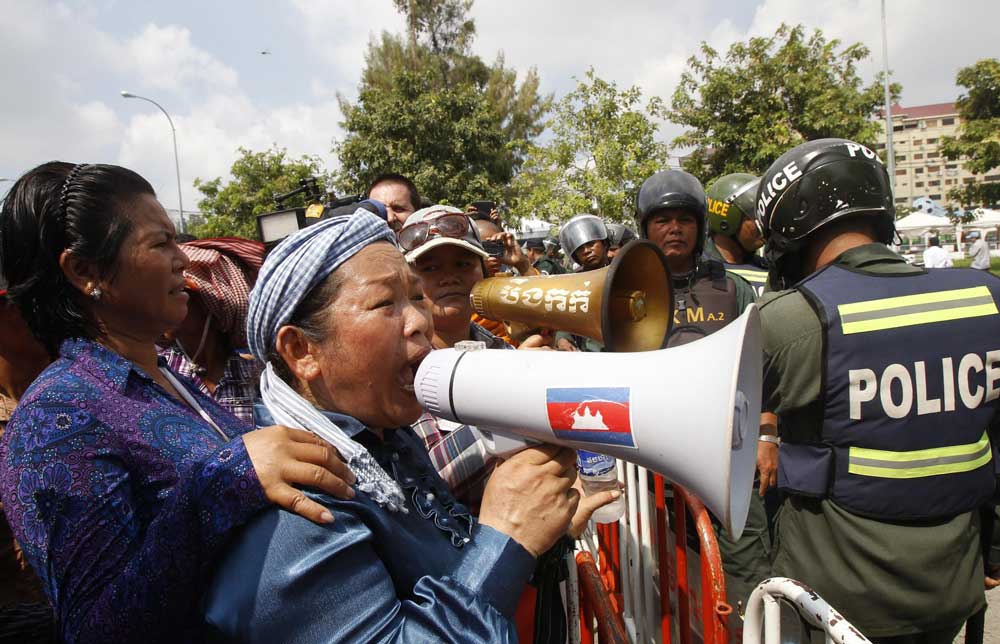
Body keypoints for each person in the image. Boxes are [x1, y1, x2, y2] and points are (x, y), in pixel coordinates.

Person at [0, 162, 356, 643]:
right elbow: (96, 630)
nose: (183, 260)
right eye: (159, 243)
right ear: (85, 271)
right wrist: (229, 480)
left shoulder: (166, 378)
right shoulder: (56, 420)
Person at [203, 210, 582, 642]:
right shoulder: (293, 512)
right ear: (301, 350)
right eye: (385, 304)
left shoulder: (387, 439)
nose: (421, 321)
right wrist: (505, 538)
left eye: (417, 297)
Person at [756, 138, 999, 642]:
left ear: (790, 227)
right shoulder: (985, 298)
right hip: (953, 591)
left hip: (832, 606)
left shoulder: (786, 320)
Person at [635, 168, 772, 624]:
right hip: (653, 459)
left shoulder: (733, 287)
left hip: (728, 448)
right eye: (662, 219)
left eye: (684, 219)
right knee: (659, 578)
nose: (674, 229)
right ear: (645, 227)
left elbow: (761, 363)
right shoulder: (625, 288)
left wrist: (767, 435)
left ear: (700, 225)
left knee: (746, 570)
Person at [158, 237, 266, 424]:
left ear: (211, 304)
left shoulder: (258, 378)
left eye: (179, 293)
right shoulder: (159, 372)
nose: (163, 304)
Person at [704, 173, 769, 296]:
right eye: (756, 216)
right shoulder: (700, 272)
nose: (763, 224)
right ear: (728, 221)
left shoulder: (769, 269)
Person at [554, 215, 611, 352]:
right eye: (580, 249)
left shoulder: (623, 271)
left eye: (591, 244)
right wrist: (562, 339)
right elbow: (564, 317)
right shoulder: (573, 282)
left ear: (604, 244)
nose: (586, 251)